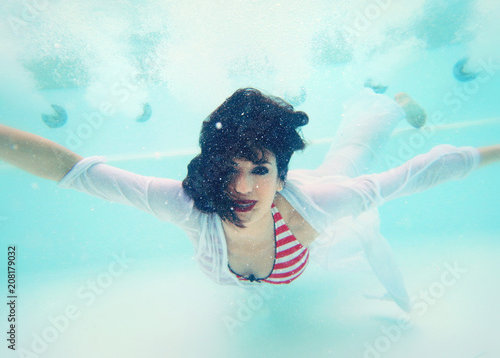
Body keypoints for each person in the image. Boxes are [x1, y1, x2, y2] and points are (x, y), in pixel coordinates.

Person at [1, 88, 499, 311]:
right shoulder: (189, 205)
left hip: (327, 244)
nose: (241, 188)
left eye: (259, 170)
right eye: (229, 170)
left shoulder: (320, 203)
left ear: (281, 177)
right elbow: (76, 171)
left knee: (352, 154)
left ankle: (387, 102)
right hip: (278, 274)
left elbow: (421, 171)